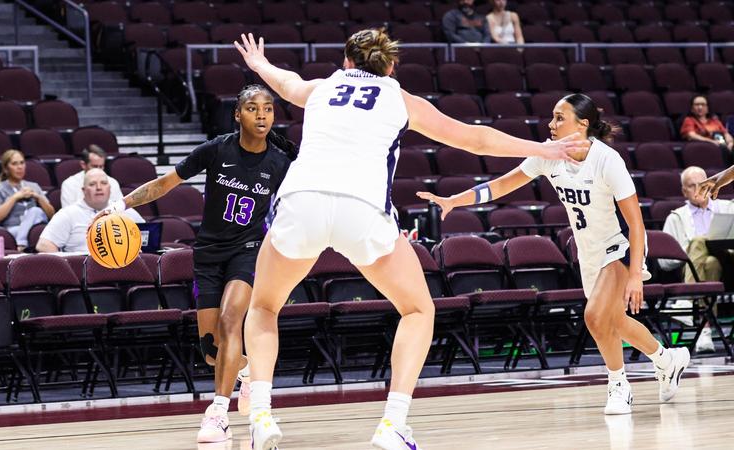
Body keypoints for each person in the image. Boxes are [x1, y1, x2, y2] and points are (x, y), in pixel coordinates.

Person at [232, 30, 589, 450]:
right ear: (390, 67)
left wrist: (259, 65)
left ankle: (261, 416)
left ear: (346, 63)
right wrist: (543, 149)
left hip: (301, 201)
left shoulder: (322, 87)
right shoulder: (401, 99)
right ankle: (393, 423)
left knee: (264, 307)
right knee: (418, 309)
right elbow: (474, 138)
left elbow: (285, 81)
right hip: (361, 208)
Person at [418, 93, 691, 418]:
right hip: (587, 254)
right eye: (552, 116)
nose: (551, 123)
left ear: (582, 124)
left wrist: (635, 275)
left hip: (618, 249)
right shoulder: (548, 156)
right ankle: (666, 360)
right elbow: (503, 185)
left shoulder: (607, 160)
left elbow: (635, 223)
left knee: (594, 318)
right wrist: (454, 201)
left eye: (560, 118)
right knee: (613, 322)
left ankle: (619, 386)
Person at [98, 84, 296, 444]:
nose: (262, 115)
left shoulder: (281, 164)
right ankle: (248, 373)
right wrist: (120, 205)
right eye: (252, 108)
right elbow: (164, 183)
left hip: (249, 250)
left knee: (230, 319)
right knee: (212, 352)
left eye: (268, 109)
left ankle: (218, 413)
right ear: (238, 114)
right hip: (208, 252)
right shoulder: (216, 150)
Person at [662, 167, 734, 352]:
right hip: (708, 272)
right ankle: (706, 332)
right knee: (708, 262)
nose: (697, 190)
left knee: (699, 240)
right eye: (691, 186)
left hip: (731, 262)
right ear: (683, 191)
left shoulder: (729, 207)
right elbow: (664, 261)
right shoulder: (676, 218)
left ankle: (686, 300)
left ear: (710, 184)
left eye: (700, 185)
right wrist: (691, 253)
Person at [36, 169, 142, 253]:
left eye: (104, 183)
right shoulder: (68, 213)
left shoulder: (124, 210)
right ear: (83, 190)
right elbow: (44, 245)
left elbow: (147, 236)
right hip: (83, 272)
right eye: (92, 184)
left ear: (110, 188)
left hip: (122, 267)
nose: (99, 187)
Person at [0, 149, 54, 250]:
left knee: (35, 211)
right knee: (17, 231)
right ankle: (22, 242)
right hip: (14, 229)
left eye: (22, 163)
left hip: (35, 228)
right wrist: (15, 197)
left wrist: (37, 197)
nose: (19, 167)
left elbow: (51, 214)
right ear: (6, 169)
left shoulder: (33, 186)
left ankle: (21, 244)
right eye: (14, 164)